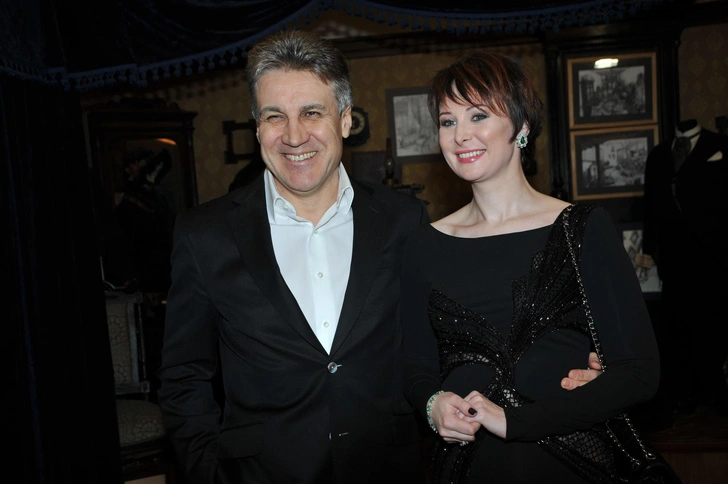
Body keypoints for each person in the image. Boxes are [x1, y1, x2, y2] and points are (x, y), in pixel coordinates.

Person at [158, 31, 601, 484]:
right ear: (257, 127)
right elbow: (182, 377)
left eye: (312, 112)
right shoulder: (205, 235)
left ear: (345, 120)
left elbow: (456, 329)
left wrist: (573, 361)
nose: (293, 135)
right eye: (275, 116)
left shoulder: (403, 220)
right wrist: (208, 473)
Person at [401, 52, 660, 483]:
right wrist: (432, 404)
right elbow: (414, 365)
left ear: (521, 126)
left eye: (478, 115)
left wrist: (515, 422)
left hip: (570, 464)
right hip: (466, 469)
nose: (460, 135)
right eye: (447, 122)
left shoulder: (583, 230)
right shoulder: (423, 244)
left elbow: (639, 372)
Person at [642, 119, 728, 415]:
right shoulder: (658, 154)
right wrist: (647, 251)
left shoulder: (719, 146)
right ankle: (684, 394)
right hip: (673, 258)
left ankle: (714, 393)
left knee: (713, 325)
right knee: (677, 327)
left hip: (713, 257)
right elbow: (650, 205)